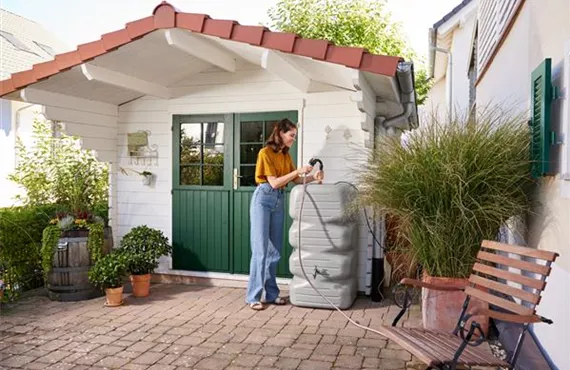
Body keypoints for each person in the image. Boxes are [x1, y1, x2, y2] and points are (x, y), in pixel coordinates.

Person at [246, 118, 324, 310]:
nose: (293, 139)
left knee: (275, 252)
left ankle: (271, 295)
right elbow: (273, 182)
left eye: (295, 136)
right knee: (261, 250)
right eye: (291, 135)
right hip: (263, 199)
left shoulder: (285, 156)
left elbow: (295, 180)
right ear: (280, 133)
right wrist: (297, 171)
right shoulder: (265, 153)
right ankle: (253, 296)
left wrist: (313, 177)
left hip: (279, 200)